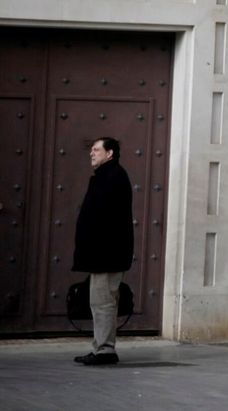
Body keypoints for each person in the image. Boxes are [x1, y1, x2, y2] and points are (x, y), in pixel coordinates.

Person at [72, 136, 134, 366]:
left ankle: (105, 350)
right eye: (91, 149)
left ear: (110, 153)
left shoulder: (113, 176)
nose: (91, 153)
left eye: (96, 149)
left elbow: (107, 220)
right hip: (103, 254)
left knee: (104, 302)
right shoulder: (105, 176)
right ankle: (101, 348)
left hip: (107, 255)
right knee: (100, 302)